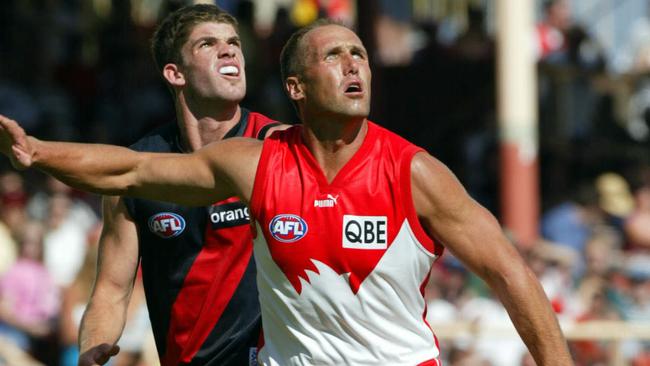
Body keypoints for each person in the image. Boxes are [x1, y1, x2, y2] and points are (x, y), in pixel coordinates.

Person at [0, 19, 573, 365]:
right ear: (296, 86)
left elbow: (510, 273)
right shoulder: (256, 165)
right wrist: (40, 153)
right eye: (334, 55)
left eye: (360, 55)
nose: (355, 66)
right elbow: (129, 172)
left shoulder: (414, 171)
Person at [64, 4, 284, 366]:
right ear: (175, 73)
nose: (229, 50)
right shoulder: (138, 170)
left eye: (233, 42)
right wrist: (91, 350)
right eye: (208, 44)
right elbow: (112, 289)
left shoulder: (279, 147)